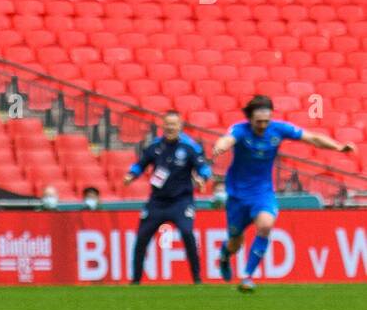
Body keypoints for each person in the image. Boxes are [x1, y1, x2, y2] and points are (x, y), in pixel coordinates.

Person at [212, 95, 354, 293]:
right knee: (235, 241)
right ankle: (226, 255)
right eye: (258, 121)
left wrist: (338, 146)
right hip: (237, 194)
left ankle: (247, 276)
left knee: (266, 225)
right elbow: (228, 139)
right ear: (250, 119)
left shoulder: (278, 129)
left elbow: (312, 138)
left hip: (262, 192)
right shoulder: (240, 130)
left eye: (266, 121)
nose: (262, 125)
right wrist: (221, 146)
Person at [124, 111, 210, 285]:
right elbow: (140, 164)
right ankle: (135, 281)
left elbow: (204, 168)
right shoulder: (154, 146)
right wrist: (132, 174)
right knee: (141, 238)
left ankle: (197, 278)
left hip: (181, 201)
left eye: (174, 124)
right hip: (157, 202)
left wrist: (203, 179)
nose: (171, 128)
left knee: (187, 233)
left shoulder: (189, 147)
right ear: (163, 126)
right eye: (168, 124)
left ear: (180, 126)